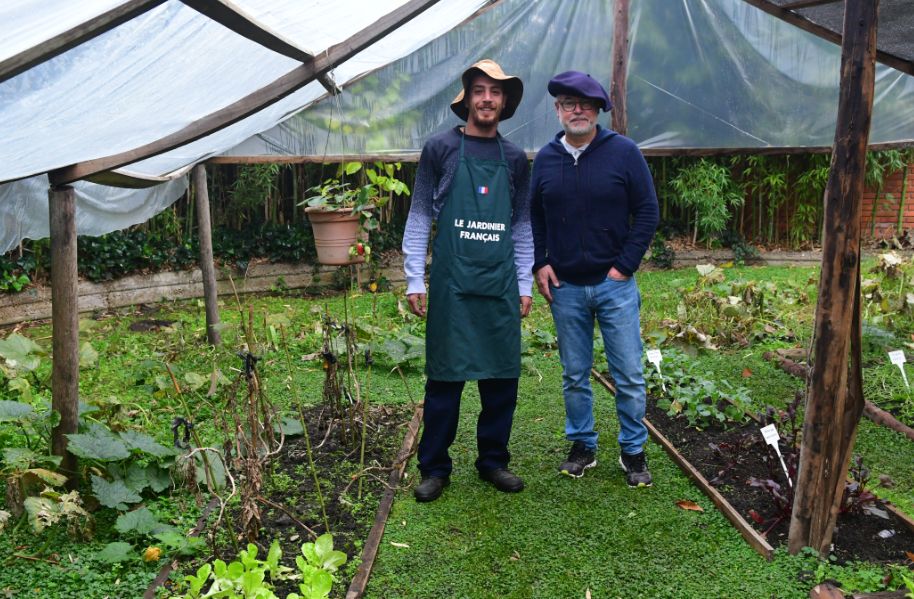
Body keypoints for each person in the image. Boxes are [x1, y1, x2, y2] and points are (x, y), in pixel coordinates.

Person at [402, 59, 533, 502]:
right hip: (452, 285)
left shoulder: (514, 159)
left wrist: (524, 284)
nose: (487, 99)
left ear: (505, 102)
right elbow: (420, 215)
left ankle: (493, 461)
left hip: (498, 284)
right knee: (444, 379)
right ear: (468, 99)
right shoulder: (439, 148)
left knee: (502, 379)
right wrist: (414, 278)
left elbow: (521, 227)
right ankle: (434, 468)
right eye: (480, 90)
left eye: (495, 92)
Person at [530, 71, 659, 487]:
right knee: (574, 374)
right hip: (565, 287)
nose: (578, 110)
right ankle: (582, 445)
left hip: (613, 284)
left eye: (586, 104)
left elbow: (648, 211)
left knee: (628, 373)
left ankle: (633, 450)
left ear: (598, 110)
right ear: (558, 109)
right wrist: (540, 262)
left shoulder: (623, 152)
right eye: (569, 103)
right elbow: (534, 217)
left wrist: (624, 266)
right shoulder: (546, 159)